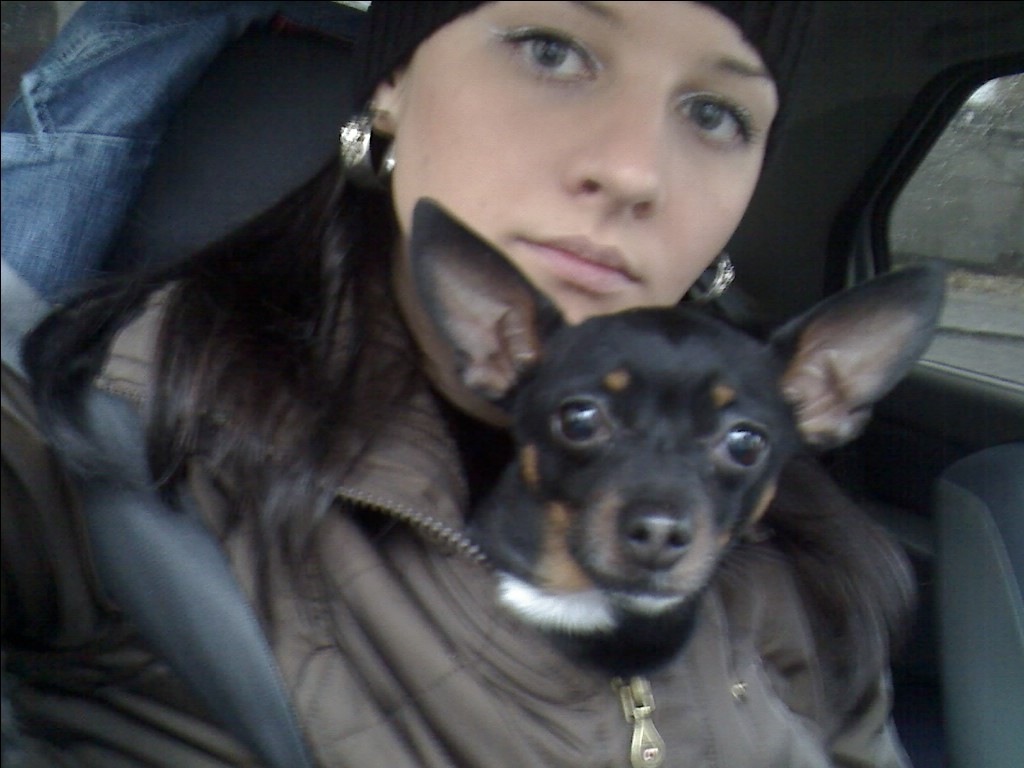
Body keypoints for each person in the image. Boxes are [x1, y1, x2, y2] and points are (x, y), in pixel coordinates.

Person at [1, 3, 916, 767]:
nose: (634, 171)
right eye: (551, 51)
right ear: (391, 81)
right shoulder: (123, 427)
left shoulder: (803, 550)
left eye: (715, 114)